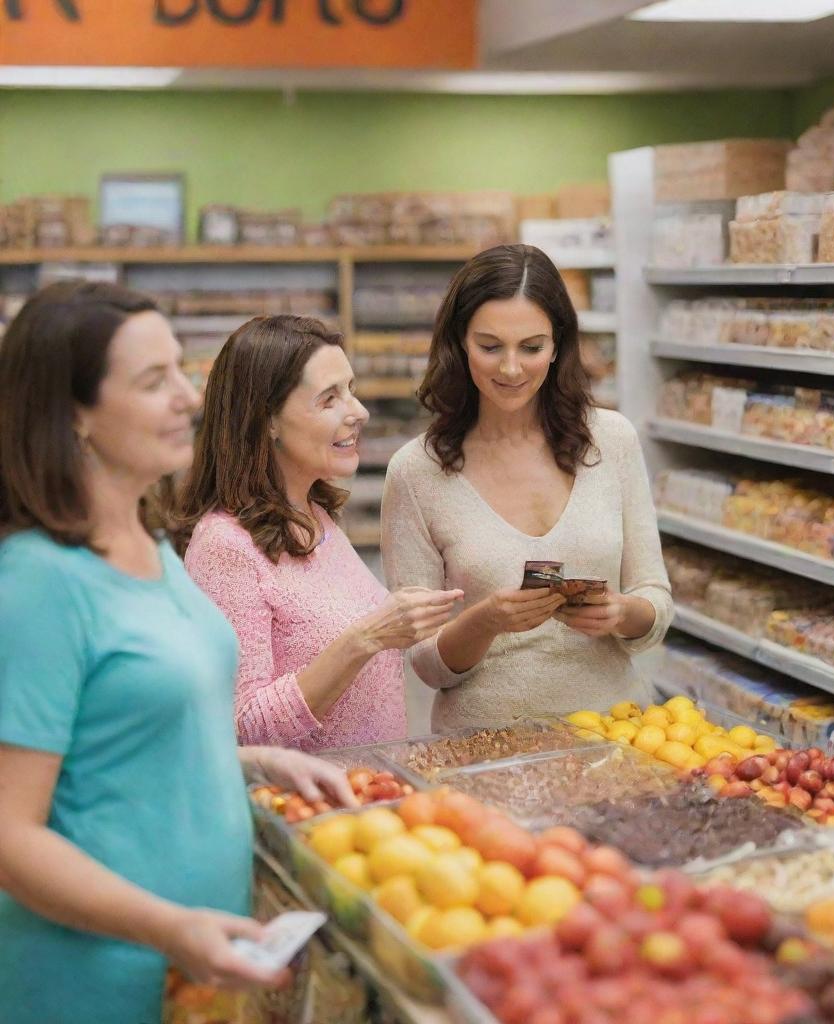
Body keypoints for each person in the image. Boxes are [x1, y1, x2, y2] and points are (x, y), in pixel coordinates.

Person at [0, 281, 360, 1024]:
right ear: (73, 414)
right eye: (152, 380)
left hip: (196, 964)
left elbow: (116, 740)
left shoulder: (148, 543)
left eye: (181, 372)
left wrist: (252, 761)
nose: (189, 400)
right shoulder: (38, 582)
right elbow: (10, 834)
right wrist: (168, 927)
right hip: (94, 977)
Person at [381, 243, 673, 731]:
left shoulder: (612, 441)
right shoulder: (416, 472)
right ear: (459, 342)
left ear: (558, 345)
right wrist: (485, 621)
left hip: (617, 740)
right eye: (490, 347)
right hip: (481, 753)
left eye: (531, 347)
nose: (511, 369)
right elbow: (425, 664)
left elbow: (656, 601)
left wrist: (621, 613)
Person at [175, 315, 462, 750]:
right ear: (266, 420)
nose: (359, 412)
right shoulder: (224, 547)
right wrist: (366, 638)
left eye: (351, 390)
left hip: (369, 801)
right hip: (306, 811)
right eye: (330, 399)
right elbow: (240, 732)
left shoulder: (315, 514)